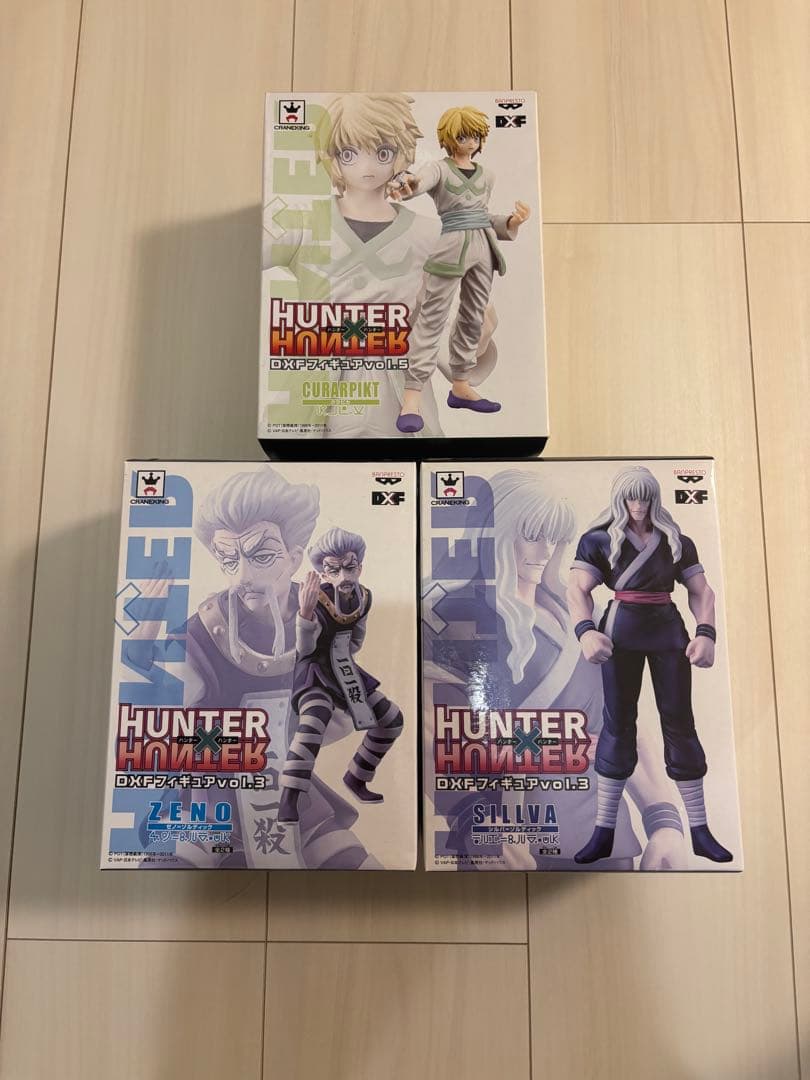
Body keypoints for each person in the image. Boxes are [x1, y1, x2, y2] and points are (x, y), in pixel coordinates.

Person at [426, 469, 689, 870]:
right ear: (495, 532)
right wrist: (475, 826)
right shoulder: (447, 618)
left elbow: (625, 723)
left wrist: (664, 820)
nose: (545, 550)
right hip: (508, 838)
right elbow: (436, 737)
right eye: (532, 534)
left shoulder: (583, 616)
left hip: (605, 834)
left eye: (554, 536)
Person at [133, 467, 373, 869]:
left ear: (294, 557)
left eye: (261, 556)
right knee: (168, 867)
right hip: (208, 803)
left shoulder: (327, 620)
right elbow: (157, 722)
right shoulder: (203, 632)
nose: (244, 576)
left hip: (292, 794)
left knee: (354, 867)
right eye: (229, 559)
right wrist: (141, 646)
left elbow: (349, 712)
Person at [568, 465, 733, 864]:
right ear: (620, 499)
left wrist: (706, 633)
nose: (639, 505)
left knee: (679, 720)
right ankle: (603, 831)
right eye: (631, 497)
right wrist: (586, 631)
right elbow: (577, 588)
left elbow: (701, 591)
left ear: (654, 498)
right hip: (621, 630)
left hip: (666, 628)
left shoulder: (676, 540)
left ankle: (700, 829)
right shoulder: (598, 540)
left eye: (645, 497)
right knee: (617, 723)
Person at [264, 92, 443, 437]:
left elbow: (441, 317)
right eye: (349, 153)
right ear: (332, 156)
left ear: (401, 153)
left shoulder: (428, 233)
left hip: (396, 388)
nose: (366, 166)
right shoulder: (302, 222)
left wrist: (474, 330)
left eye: (382, 152)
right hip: (318, 385)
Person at [391, 106, 531, 432]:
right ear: (450, 137)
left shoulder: (487, 176)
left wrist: (512, 222)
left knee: (474, 316)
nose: (470, 141)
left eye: (476, 136)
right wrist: (409, 184)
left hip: (484, 249)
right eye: (464, 135)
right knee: (432, 316)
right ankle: (412, 397)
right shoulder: (439, 169)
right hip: (451, 247)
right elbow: (420, 181)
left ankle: (461, 385)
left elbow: (483, 215)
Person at [278, 528, 403, 824]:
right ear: (323, 573)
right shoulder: (313, 599)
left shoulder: (364, 597)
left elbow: (356, 642)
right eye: (334, 570)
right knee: (313, 721)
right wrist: (305, 614)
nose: (344, 576)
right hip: (313, 671)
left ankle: (357, 777)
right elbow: (305, 650)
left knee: (391, 719)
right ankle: (289, 798)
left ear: (359, 567)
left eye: (349, 567)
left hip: (344, 668)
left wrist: (344, 659)